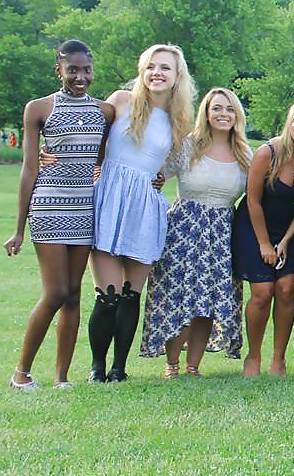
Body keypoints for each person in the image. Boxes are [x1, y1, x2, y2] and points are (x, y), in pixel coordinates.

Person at [4, 40, 111, 389]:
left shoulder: (105, 112)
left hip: (84, 208)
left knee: (74, 294)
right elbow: (28, 168)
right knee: (55, 292)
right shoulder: (39, 108)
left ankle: (62, 378)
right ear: (59, 71)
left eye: (86, 70)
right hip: (49, 205)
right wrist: (19, 229)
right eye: (72, 70)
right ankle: (21, 373)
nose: (80, 77)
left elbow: (104, 157)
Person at [88, 44, 196, 383]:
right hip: (109, 201)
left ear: (177, 76)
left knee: (131, 294)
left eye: (165, 67)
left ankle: (119, 368)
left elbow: (170, 166)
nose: (156, 73)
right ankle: (97, 368)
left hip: (146, 208)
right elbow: (88, 139)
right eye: (151, 66)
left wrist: (160, 176)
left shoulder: (180, 122)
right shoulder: (120, 101)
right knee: (108, 295)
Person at [140, 88, 253, 377]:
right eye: (217, 108)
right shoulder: (188, 146)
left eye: (229, 109)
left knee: (208, 301)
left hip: (222, 234)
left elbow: (261, 192)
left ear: (237, 115)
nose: (223, 114)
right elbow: (154, 171)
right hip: (184, 229)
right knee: (178, 297)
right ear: (206, 113)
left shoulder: (244, 154)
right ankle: (172, 364)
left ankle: (193, 366)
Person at [232, 98, 294, 378]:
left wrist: (286, 239)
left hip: (290, 229)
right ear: (289, 121)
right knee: (263, 292)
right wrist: (264, 243)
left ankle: (279, 359)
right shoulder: (268, 153)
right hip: (254, 225)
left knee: (285, 289)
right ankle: (253, 356)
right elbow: (252, 199)